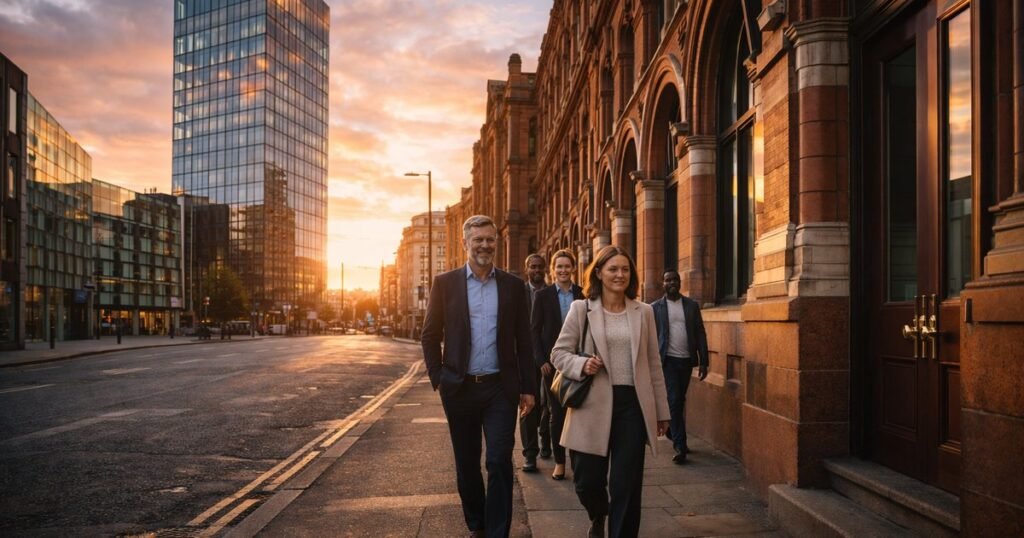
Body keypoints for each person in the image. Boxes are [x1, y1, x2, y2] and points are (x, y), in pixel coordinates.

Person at [421, 214, 537, 538]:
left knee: (499, 460)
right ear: (465, 243)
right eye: (478, 240)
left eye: (490, 239)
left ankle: (498, 531)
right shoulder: (445, 284)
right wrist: (439, 378)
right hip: (459, 388)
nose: (485, 245)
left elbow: (524, 340)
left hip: (500, 388)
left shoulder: (513, 286)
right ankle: (478, 524)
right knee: (467, 464)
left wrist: (529, 387)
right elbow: (429, 335)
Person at [551, 245, 670, 538]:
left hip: (632, 406)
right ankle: (598, 514)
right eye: (613, 269)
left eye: (625, 269)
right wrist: (582, 364)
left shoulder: (644, 312)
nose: (620, 275)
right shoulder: (582, 309)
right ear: (599, 273)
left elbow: (653, 364)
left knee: (626, 485)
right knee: (586, 481)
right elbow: (558, 353)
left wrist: (661, 411)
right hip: (592, 403)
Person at [531, 248, 584, 481]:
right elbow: (534, 331)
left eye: (567, 266)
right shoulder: (542, 296)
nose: (563, 270)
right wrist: (541, 360)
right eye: (559, 266)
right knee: (557, 414)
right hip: (551, 364)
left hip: (578, 361)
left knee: (579, 411)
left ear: (573, 268)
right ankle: (560, 462)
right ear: (553, 270)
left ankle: (578, 461)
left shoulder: (582, 294)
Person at [651, 270, 709, 464]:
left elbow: (700, 333)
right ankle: (680, 445)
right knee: (675, 400)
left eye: (675, 279)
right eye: (668, 280)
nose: (672, 283)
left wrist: (704, 361)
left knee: (678, 400)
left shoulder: (691, 305)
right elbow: (650, 337)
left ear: (680, 282)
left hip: (686, 360)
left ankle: (671, 431)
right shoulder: (655, 308)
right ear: (663, 283)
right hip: (667, 360)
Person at [519, 253, 548, 473]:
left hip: (548, 359)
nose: (537, 270)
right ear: (526, 269)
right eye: (533, 267)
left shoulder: (551, 293)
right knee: (527, 404)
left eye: (540, 267)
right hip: (525, 359)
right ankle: (530, 454)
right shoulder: (519, 293)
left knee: (549, 405)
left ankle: (546, 442)